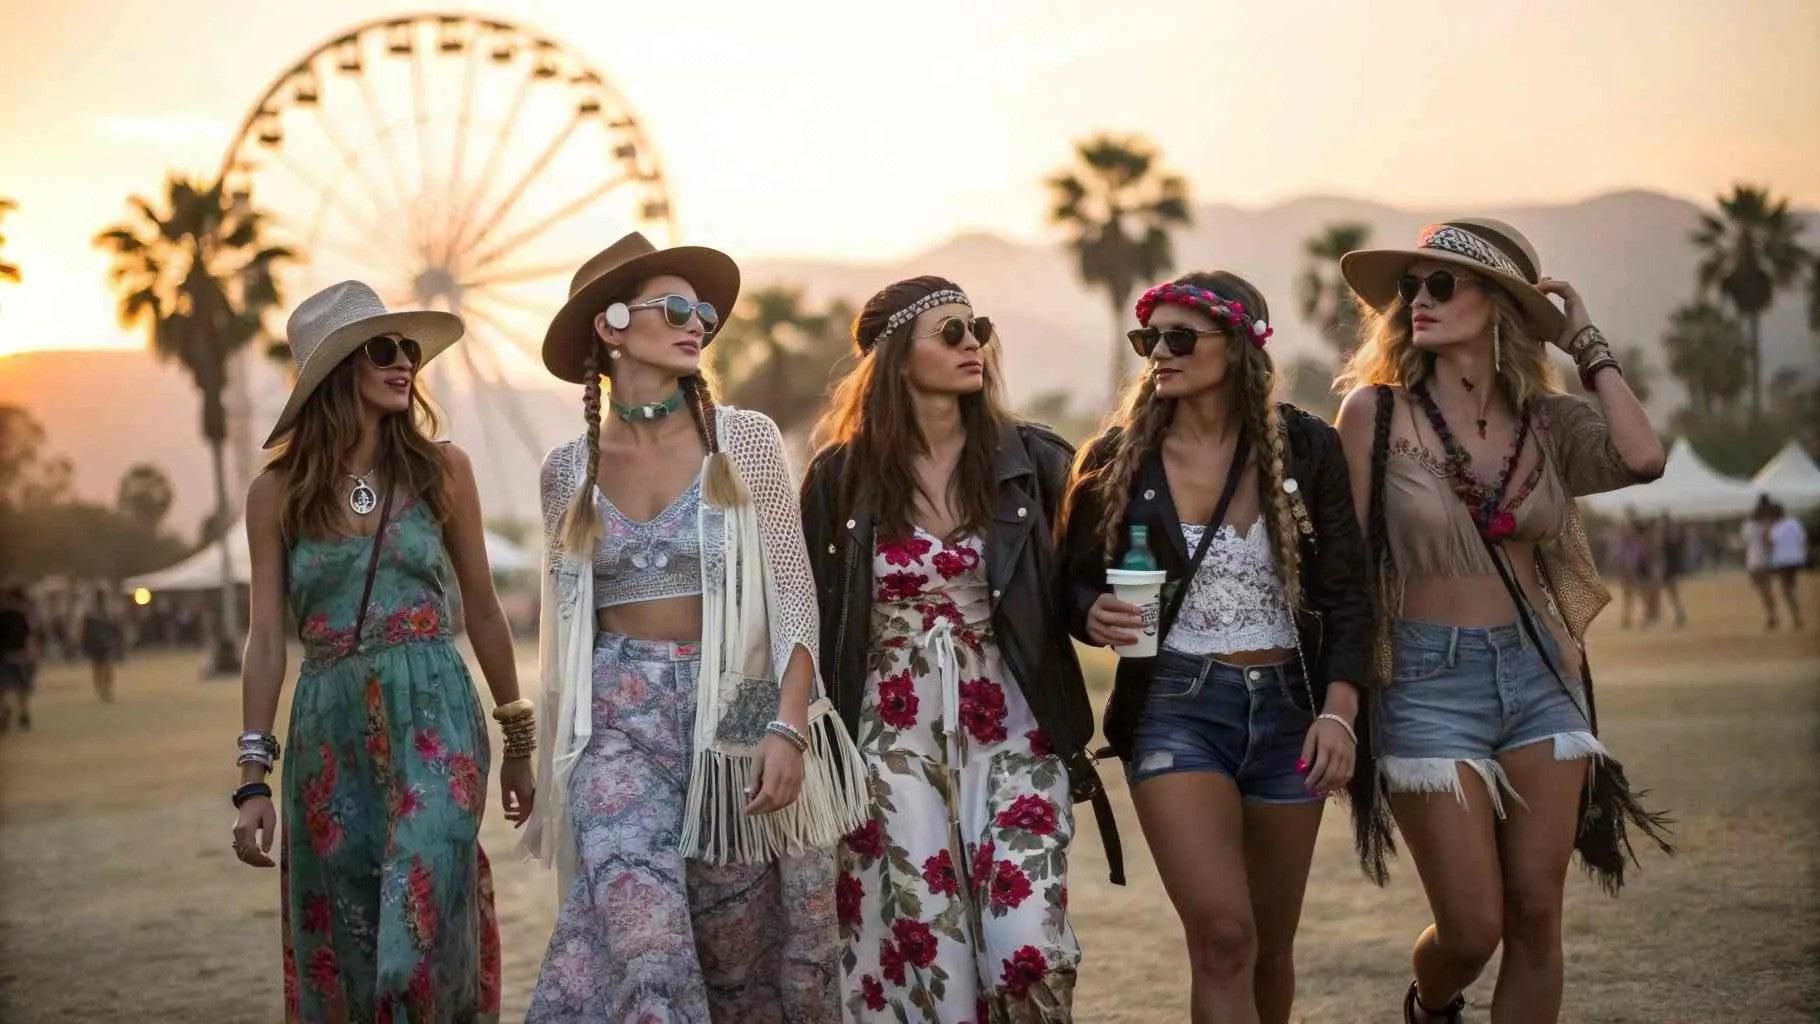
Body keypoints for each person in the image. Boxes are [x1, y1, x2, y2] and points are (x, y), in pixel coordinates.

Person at [1333, 219, 1670, 1023]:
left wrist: (1584, 340)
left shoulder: (1547, 425)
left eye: (1442, 284)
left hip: (1541, 674)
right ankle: (1430, 1003)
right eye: (1410, 287)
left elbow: (1643, 456)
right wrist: (1340, 700)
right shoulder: (1372, 416)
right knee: (1473, 925)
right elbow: (1342, 572)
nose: (1418, 300)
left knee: (1536, 915)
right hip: (1421, 676)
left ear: (1499, 306)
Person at [522, 233, 859, 1022]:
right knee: (645, 950)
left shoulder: (744, 442)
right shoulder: (566, 472)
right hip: (615, 726)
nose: (696, 324)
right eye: (674, 308)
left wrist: (788, 725)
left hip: (735, 718)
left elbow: (794, 598)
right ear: (608, 326)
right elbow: (566, 632)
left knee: (738, 963)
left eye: (702, 311)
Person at [1057, 272, 1372, 1024]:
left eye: (1179, 338)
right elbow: (1067, 582)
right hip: (1175, 710)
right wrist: (1091, 612)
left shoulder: (1305, 446)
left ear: (1238, 347)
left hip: (1293, 713)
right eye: (1149, 339)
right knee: (1225, 937)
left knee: (1270, 945)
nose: (1159, 353)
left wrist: (1340, 712)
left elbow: (1348, 592)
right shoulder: (1117, 457)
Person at [800, 275, 1111, 1022]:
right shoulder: (839, 480)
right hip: (889, 738)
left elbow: (1069, 582)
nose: (972, 344)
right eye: (949, 332)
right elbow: (805, 617)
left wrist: (1095, 610)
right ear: (895, 359)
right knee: (923, 957)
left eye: (978, 328)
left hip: (1013, 721)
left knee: (1024, 944)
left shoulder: (1032, 462)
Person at [230, 281, 533, 1022]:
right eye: (384, 350)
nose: (405, 364)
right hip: (327, 728)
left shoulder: (442, 469)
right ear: (337, 372)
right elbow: (266, 637)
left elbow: (484, 609)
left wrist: (517, 733)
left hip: (436, 710)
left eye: (409, 351)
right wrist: (250, 781)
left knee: (417, 917)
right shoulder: (276, 494)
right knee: (354, 934)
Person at [0, 586, 39, 733]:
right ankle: (24, 714)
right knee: (23, 688)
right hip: (21, 656)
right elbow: (32, 635)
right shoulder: (26, 614)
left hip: (4, 657)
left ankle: (4, 710)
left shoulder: (3, 612)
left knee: (2, 688)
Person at [1767, 501, 1807, 630]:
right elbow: (1802, 539)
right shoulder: (1794, 523)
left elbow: (1771, 544)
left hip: (1783, 560)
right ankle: (1796, 613)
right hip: (1796, 558)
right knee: (1791, 586)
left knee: (1786, 589)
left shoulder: (1775, 527)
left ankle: (1797, 616)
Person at [79, 587, 124, 701]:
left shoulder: (108, 612)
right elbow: (85, 629)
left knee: (107, 666)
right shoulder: (91, 613)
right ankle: (100, 688)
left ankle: (106, 688)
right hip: (95, 643)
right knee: (98, 667)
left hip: (106, 643)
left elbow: (115, 627)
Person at [1742, 495, 1779, 629]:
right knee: (1765, 589)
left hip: (1755, 560)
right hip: (1761, 559)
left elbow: (1747, 542)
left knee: (1764, 589)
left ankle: (1772, 614)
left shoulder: (1751, 524)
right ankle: (1772, 613)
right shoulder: (1767, 524)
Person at [1653, 513, 1688, 629]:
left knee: (1668, 592)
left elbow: (1663, 554)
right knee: (1667, 593)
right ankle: (1674, 614)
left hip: (1666, 569)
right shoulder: (1668, 538)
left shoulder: (1667, 538)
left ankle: (1660, 615)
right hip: (1666, 568)